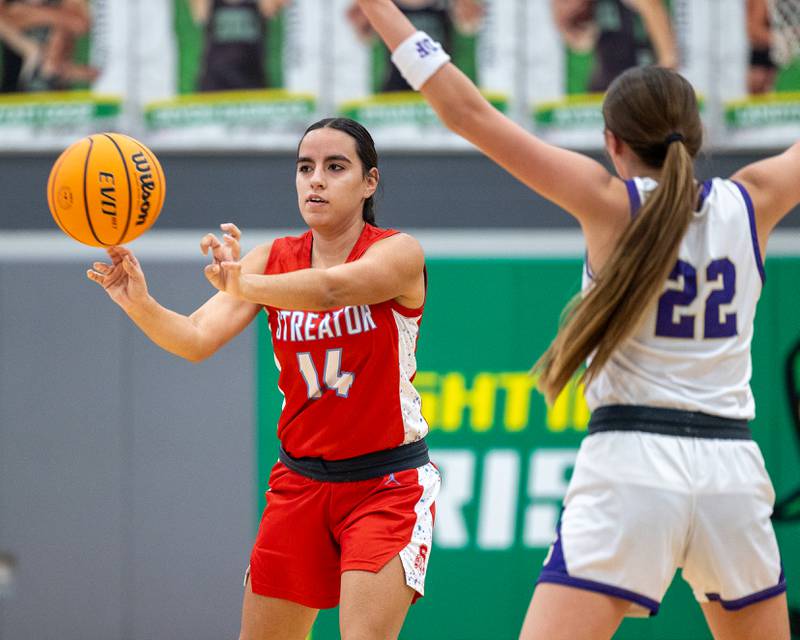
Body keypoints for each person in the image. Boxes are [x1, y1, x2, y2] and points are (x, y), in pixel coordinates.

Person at [354, 1, 796, 638]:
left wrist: (379, 8)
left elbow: (465, 111)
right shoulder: (754, 199)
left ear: (612, 143)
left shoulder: (607, 201)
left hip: (633, 465)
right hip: (733, 470)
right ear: (694, 134)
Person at [86, 116, 440, 640]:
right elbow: (194, 338)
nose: (315, 179)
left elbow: (330, 290)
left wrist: (244, 282)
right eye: (305, 167)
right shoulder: (270, 260)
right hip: (300, 482)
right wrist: (139, 302)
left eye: (335, 167)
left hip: (385, 485)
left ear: (369, 183)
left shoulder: (398, 252)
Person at [347, 0, 482, 92]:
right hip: (395, 91)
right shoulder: (384, 4)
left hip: (442, 84)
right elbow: (364, 36)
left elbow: (470, 26)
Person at [552, 0, 678, 92]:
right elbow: (578, 42)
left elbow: (652, 8)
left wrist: (668, 62)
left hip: (644, 79)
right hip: (605, 84)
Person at [188, 0, 288, 92]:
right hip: (214, 81)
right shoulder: (207, 4)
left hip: (252, 79)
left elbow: (277, 5)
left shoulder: (263, 3)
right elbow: (199, 13)